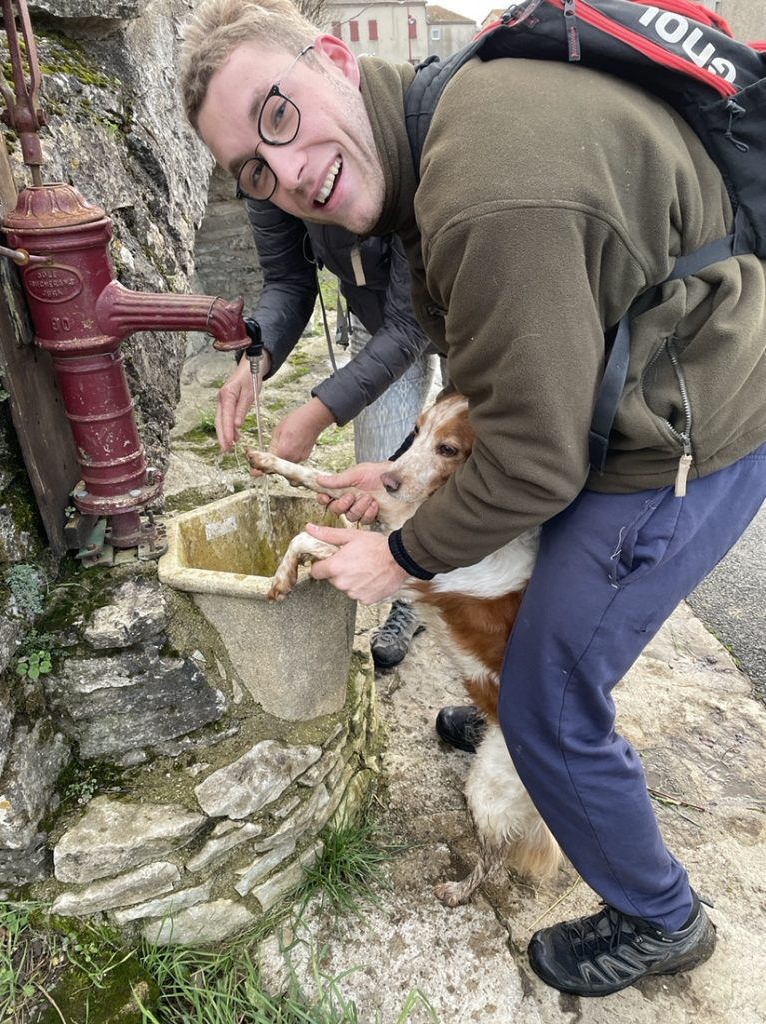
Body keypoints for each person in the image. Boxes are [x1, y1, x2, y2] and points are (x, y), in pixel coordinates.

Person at [178, 0, 766, 997]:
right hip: (621, 391)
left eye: (278, 115)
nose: (289, 172)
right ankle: (520, 722)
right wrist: (395, 477)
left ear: (333, 59)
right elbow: (490, 389)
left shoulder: (487, 188)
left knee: (548, 692)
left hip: (686, 430)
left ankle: (659, 915)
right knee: (538, 644)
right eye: (255, 171)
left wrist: (399, 555)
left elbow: (531, 461)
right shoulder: (430, 133)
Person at [217, 201, 434, 669]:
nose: (278, 181)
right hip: (375, 317)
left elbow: (410, 322)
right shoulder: (263, 179)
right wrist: (254, 361)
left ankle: (473, 592)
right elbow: (288, 281)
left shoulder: (409, 170)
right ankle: (411, 595)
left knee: (475, 458)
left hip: (470, 318)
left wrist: (318, 414)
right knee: (385, 483)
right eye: (252, 174)